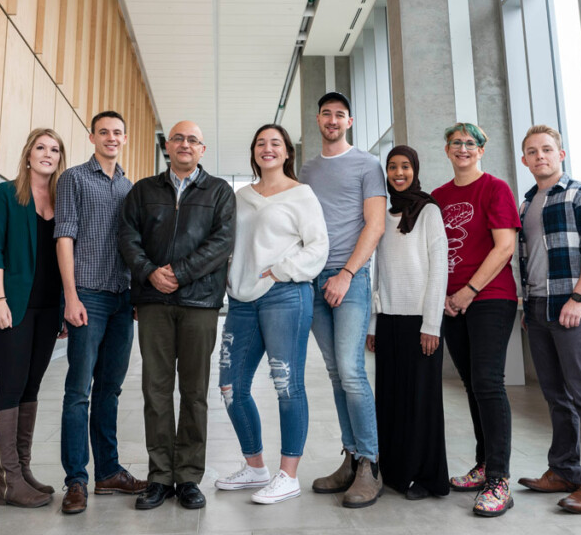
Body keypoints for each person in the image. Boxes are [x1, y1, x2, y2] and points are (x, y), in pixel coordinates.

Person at [119, 121, 236, 511]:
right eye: (179, 138)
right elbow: (127, 237)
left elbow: (222, 242)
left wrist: (180, 273)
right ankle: (158, 476)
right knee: (155, 390)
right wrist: (151, 272)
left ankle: (187, 477)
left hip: (200, 304)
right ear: (167, 146)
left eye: (193, 140)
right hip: (153, 302)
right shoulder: (143, 191)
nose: (185, 145)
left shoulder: (219, 191)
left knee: (194, 392)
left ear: (202, 149)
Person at [216, 124, 329, 505]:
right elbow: (229, 243)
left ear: (286, 153)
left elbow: (318, 247)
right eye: (261, 143)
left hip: (285, 295)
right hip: (243, 300)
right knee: (231, 387)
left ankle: (288, 475)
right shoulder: (240, 196)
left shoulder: (302, 194)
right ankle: (255, 467)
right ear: (254, 152)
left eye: (275, 143)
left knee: (286, 385)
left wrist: (282, 270)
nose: (268, 148)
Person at [516, 125, 581, 514]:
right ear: (524, 160)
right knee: (556, 395)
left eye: (547, 149)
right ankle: (563, 470)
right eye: (532, 151)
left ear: (561, 154)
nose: (540, 156)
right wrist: (528, 306)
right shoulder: (527, 204)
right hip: (539, 307)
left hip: (576, 307)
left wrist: (578, 297)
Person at [298, 92, 387, 508]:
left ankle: (370, 463)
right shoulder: (307, 169)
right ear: (318, 119)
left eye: (339, 115)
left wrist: (347, 274)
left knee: (352, 371)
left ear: (349, 121)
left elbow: (375, 224)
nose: (332, 120)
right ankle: (351, 459)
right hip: (313, 282)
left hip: (349, 278)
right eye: (326, 114)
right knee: (335, 372)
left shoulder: (368, 164)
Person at [55, 111, 147, 515]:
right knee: (78, 392)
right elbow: (64, 237)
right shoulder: (73, 178)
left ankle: (108, 471)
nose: (111, 137)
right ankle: (76, 480)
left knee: (110, 389)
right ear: (92, 136)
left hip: (122, 297)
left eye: (117, 132)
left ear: (125, 139)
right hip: (87, 294)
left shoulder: (130, 187)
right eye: (104, 131)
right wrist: (70, 297)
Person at [0, 129, 67, 508]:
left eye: (55, 149)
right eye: (40, 147)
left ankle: (23, 470)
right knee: (10, 386)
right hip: (12, 305)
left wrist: (63, 308)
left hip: (49, 308)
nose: (47, 154)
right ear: (28, 153)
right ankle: (7, 481)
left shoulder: (63, 199)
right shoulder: (5, 194)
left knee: (31, 387)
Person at [432, 122, 520, 517]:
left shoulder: (495, 188)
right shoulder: (438, 197)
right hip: (451, 302)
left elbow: (504, 247)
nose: (463, 149)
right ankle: (484, 464)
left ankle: (499, 479)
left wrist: (469, 290)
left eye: (471, 144)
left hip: (490, 298)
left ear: (481, 151)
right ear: (447, 150)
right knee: (471, 385)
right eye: (456, 143)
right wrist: (446, 298)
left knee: (487, 382)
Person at [366, 145, 449, 500]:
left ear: (415, 169)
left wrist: (431, 323)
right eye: (392, 167)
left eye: (405, 167)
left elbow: (439, 267)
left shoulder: (429, 210)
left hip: (420, 321)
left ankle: (426, 477)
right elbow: (377, 271)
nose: (399, 173)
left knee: (420, 403)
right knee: (390, 399)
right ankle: (395, 472)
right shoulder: (382, 213)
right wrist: (373, 323)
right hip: (388, 321)